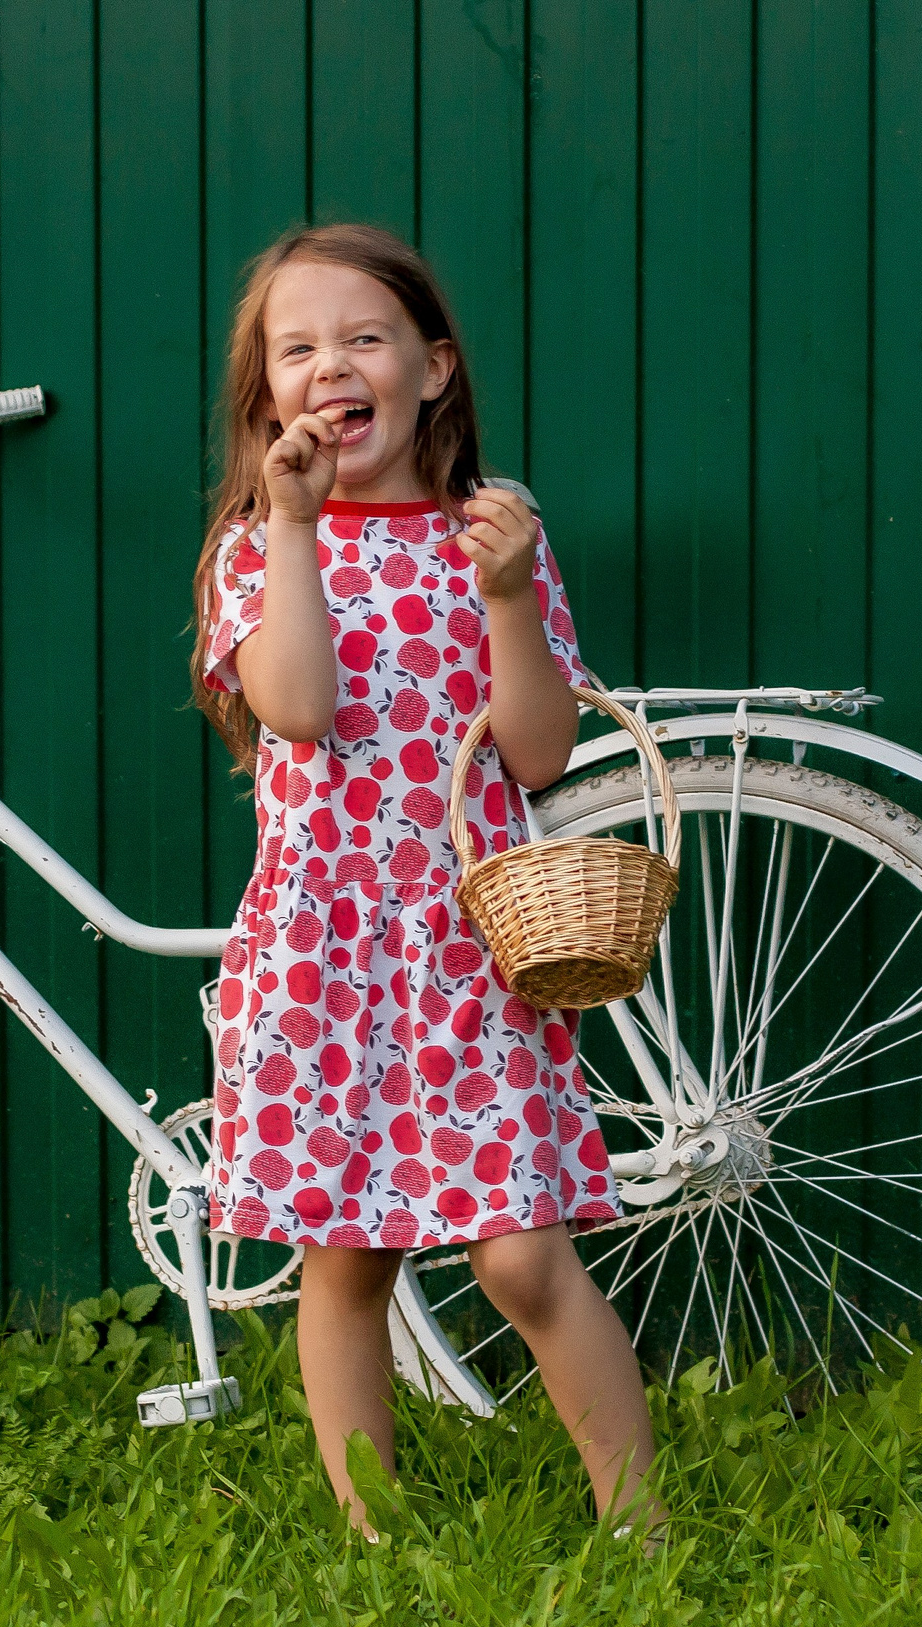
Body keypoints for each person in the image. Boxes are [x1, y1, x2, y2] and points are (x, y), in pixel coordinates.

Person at [189, 223, 665, 1544]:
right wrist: (292, 525)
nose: (331, 365)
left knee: (519, 1250)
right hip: (325, 945)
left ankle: (642, 1521)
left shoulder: (492, 537)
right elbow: (297, 704)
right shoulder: (258, 545)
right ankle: (376, 1532)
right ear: (270, 397)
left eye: (364, 338)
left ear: (432, 368)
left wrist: (510, 595)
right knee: (345, 1256)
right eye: (298, 349)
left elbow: (538, 749)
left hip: (468, 943)